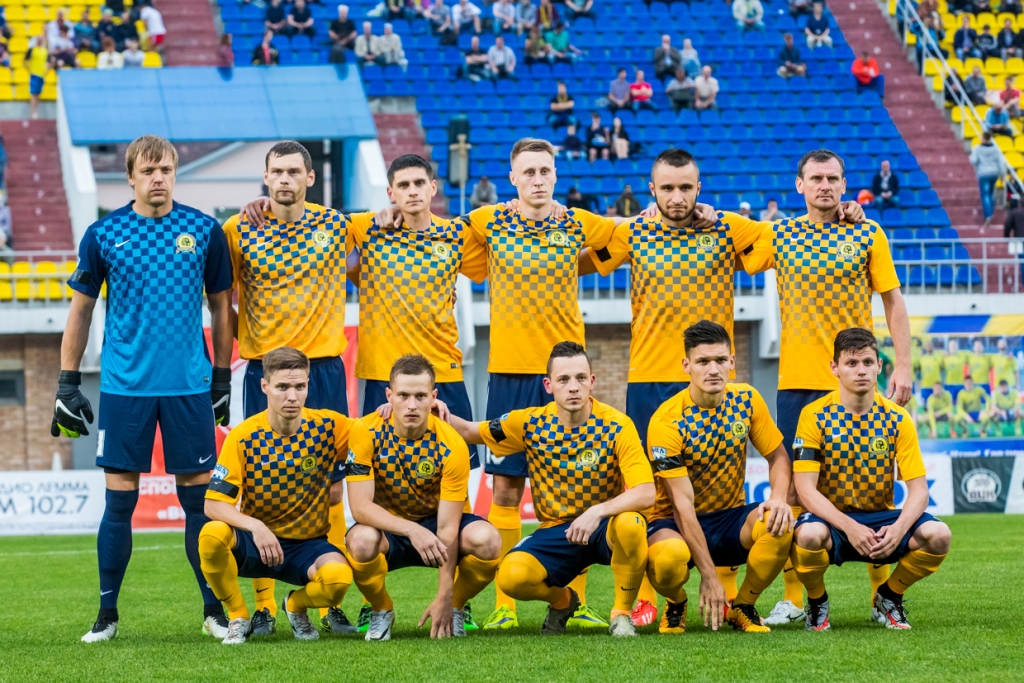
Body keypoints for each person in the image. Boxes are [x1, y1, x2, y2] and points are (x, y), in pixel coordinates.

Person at [375, 138, 718, 631]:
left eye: (545, 171)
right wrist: (390, 211)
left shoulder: (577, 222)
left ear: (556, 176)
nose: (538, 179)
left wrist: (682, 208)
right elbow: (430, 222)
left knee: (583, 490)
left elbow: (635, 229)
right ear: (513, 178)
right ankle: (505, 606)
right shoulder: (487, 220)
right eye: (529, 172)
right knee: (506, 490)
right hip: (510, 372)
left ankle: (578, 602)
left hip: (565, 373)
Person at [56, 135, 234, 643]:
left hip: (188, 388)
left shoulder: (204, 231)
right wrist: (68, 381)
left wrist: (222, 376)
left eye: (166, 169)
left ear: (175, 173)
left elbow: (222, 306)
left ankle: (214, 610)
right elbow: (81, 310)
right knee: (119, 504)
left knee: (198, 505)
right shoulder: (104, 234)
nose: (159, 178)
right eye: (149, 170)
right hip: (124, 388)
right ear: (130, 177)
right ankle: (106, 615)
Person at [740, 149, 908, 627]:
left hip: (855, 382)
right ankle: (797, 598)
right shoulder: (780, 234)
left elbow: (893, 300)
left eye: (833, 178)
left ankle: (881, 597)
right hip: (797, 383)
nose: (825, 186)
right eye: (816, 178)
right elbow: (732, 238)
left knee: (874, 489)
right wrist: (707, 211)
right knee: (796, 493)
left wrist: (903, 365)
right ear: (800, 185)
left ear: (844, 184)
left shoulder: (868, 233)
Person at [224, 141, 366, 635]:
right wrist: (246, 343)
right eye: (276, 171)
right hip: (263, 369)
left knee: (332, 487)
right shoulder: (239, 228)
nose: (284, 179)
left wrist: (392, 210)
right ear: (266, 178)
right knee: (257, 487)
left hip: (323, 369)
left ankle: (328, 603)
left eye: (292, 171)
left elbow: (389, 222)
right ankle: (264, 606)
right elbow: (221, 298)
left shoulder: (338, 224)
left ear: (310, 177)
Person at [449, 342, 656, 637]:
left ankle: (621, 615)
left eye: (580, 378)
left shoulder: (618, 425)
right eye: (563, 379)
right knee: (512, 576)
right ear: (548, 385)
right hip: (556, 530)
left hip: (604, 528)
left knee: (632, 523)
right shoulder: (529, 423)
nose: (573, 387)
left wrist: (597, 512)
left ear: (592, 381)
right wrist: (431, 410)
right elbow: (470, 431)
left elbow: (646, 492)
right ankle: (563, 602)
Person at [791, 329, 951, 631]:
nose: (861, 370)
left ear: (879, 366)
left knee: (939, 535)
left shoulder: (898, 418)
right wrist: (849, 527)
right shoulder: (814, 415)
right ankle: (817, 602)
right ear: (835, 368)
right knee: (808, 536)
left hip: (881, 518)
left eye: (867, 362)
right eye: (851, 363)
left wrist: (898, 529)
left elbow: (919, 491)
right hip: (832, 520)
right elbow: (804, 489)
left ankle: (890, 595)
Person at [642, 321, 792, 634]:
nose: (713, 369)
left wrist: (778, 498)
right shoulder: (666, 421)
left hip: (728, 518)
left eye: (721, 360)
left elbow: (778, 457)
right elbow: (682, 506)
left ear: (732, 362)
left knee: (778, 524)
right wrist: (709, 576)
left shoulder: (747, 400)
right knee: (669, 560)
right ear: (686, 365)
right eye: (703, 362)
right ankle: (676, 602)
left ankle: (743, 605)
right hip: (673, 521)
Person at [199, 347, 354, 644]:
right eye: (282, 387)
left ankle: (294, 605)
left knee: (338, 579)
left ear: (308, 385)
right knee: (211, 535)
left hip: (307, 545)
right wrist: (256, 527)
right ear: (265, 386)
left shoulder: (330, 426)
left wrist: (419, 412)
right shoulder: (243, 436)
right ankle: (238, 615)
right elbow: (213, 504)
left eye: (299, 387)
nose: (292, 396)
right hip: (258, 544)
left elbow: (378, 431)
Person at [345, 355, 501, 640]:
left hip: (436, 526)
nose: (412, 405)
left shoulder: (452, 444)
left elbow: (448, 528)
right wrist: (411, 530)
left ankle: (455, 607)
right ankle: (381, 609)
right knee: (360, 542)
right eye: (403, 396)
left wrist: (446, 596)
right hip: (390, 528)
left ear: (434, 397)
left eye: (420, 396)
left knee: (487, 540)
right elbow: (360, 507)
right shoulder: (365, 431)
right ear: (389, 396)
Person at [970, 131, 1006, 226]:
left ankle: (988, 215)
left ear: (983, 138)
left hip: (983, 173)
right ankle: (991, 212)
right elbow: (1000, 162)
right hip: (994, 173)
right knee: (991, 193)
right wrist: (1002, 175)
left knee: (985, 194)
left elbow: (973, 160)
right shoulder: (996, 148)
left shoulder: (977, 149)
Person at [26, 35, 50, 120]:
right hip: (34, 74)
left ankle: (36, 111)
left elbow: (48, 62)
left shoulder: (45, 51)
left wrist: (47, 70)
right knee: (33, 94)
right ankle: (33, 112)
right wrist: (30, 70)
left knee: (38, 94)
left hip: (42, 75)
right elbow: (25, 61)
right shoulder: (32, 50)